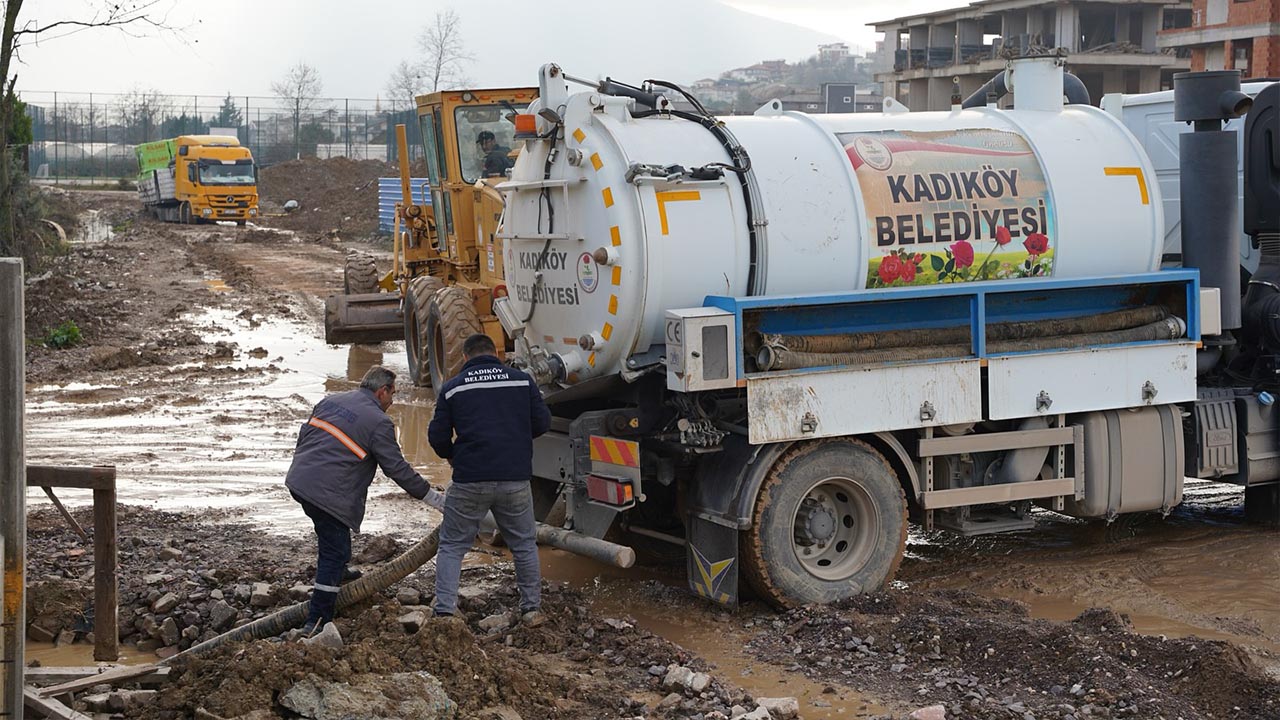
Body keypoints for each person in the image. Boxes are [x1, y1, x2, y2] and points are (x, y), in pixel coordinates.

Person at [285, 365, 443, 635]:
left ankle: (339, 575)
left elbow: (304, 437)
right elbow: (397, 469)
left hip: (299, 482)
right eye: (392, 394)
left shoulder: (330, 401)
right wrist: (435, 499)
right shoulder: (379, 422)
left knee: (332, 538)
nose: (393, 401)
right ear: (382, 391)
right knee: (333, 552)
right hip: (327, 494)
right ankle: (316, 621)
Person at [428, 333, 551, 625]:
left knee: (452, 545)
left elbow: (437, 437)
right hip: (515, 478)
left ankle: (445, 610)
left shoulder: (453, 388)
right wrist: (516, 444)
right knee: (523, 544)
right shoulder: (522, 381)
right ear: (496, 353)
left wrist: (453, 456)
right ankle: (531, 609)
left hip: (470, 478)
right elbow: (543, 422)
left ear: (466, 357)